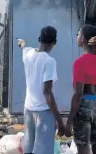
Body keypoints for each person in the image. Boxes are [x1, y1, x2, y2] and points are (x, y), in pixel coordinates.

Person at [65, 25, 96, 154]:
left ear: (84, 39)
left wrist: (69, 121)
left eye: (79, 34)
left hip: (84, 106)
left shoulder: (79, 62)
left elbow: (78, 94)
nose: (77, 36)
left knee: (83, 145)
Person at [18, 26, 65, 154]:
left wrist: (21, 43)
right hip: (44, 113)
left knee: (29, 149)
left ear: (39, 39)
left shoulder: (27, 53)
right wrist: (59, 121)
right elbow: (47, 92)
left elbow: (23, 46)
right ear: (54, 43)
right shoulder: (49, 61)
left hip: (28, 110)